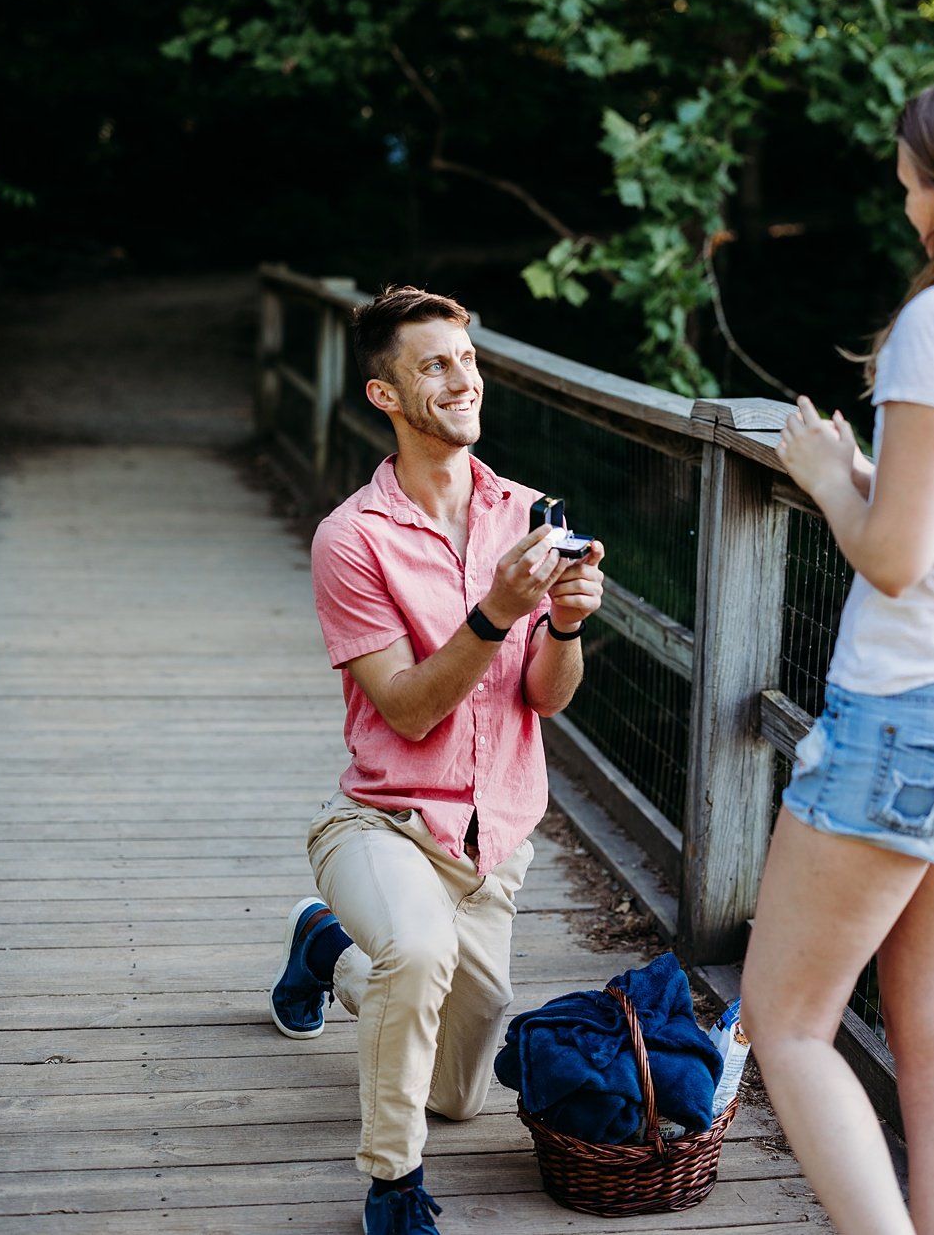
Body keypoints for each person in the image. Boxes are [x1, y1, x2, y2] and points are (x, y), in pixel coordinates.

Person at [268, 285, 605, 1235]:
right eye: (435, 365)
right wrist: (496, 612)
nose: (464, 380)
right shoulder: (352, 539)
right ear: (386, 397)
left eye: (467, 359)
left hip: (492, 843)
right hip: (384, 820)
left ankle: (327, 947)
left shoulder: (528, 512)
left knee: (457, 1093)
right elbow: (409, 710)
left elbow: (547, 696)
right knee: (414, 957)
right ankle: (391, 1189)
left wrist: (567, 625)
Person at [741, 73, 934, 1235]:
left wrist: (829, 482)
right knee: (931, 1042)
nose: (902, 197)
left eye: (910, 179)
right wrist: (878, 487)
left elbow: (891, 558)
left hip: (904, 715)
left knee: (788, 1022)